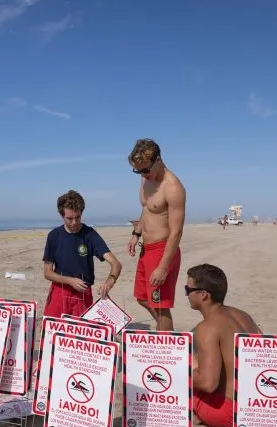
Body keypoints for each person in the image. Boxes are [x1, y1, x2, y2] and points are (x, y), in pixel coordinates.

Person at [185, 263, 262, 427]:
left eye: (188, 290)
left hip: (226, 411)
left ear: (203, 294)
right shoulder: (242, 315)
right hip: (256, 407)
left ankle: (198, 414)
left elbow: (208, 383)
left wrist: (172, 372)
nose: (186, 295)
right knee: (198, 359)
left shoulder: (208, 327)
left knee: (181, 364)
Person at [127, 138, 187, 331]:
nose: (143, 174)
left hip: (163, 250)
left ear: (158, 160)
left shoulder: (173, 187)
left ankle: (165, 345)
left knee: (160, 307)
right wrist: (136, 233)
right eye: (138, 171)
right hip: (147, 249)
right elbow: (147, 209)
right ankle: (164, 331)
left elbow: (176, 232)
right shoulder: (146, 177)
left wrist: (163, 267)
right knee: (142, 298)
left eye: (145, 170)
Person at [42, 190, 122, 318]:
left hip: (83, 294)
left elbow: (116, 264)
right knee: (52, 332)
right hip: (59, 291)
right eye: (69, 218)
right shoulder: (54, 236)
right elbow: (47, 272)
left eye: (77, 217)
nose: (74, 222)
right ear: (61, 215)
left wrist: (109, 282)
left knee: (80, 336)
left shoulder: (90, 234)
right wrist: (69, 280)